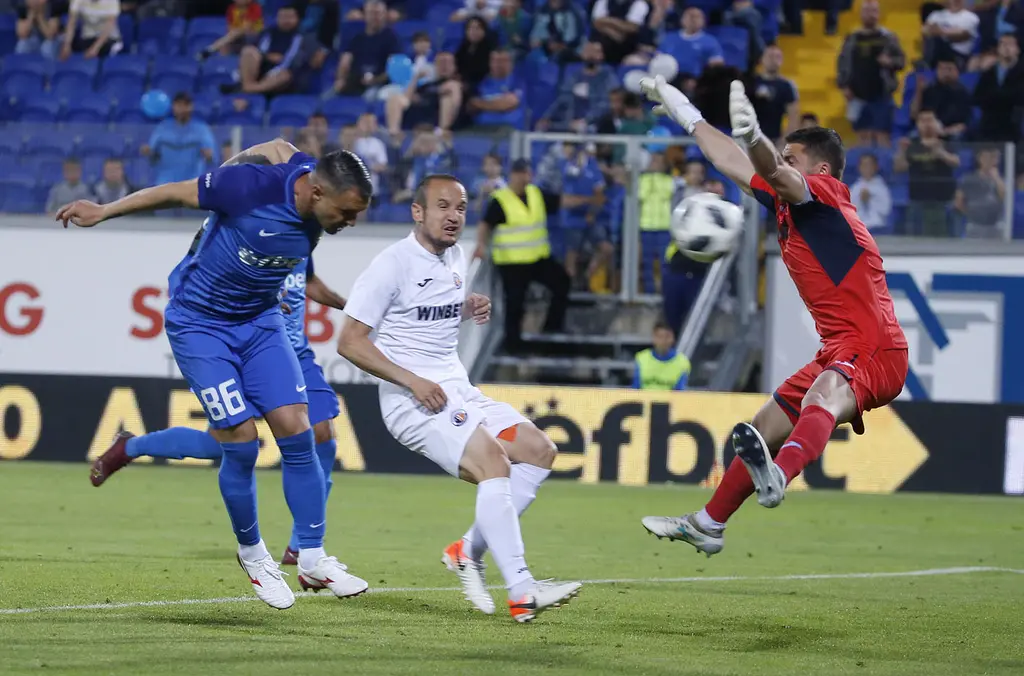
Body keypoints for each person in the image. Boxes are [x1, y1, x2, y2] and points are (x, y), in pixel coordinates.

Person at [56, 141, 374, 609]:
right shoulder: (247, 187)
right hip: (201, 325)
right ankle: (253, 555)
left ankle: (311, 556)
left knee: (298, 430)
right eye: (346, 212)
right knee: (240, 443)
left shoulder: (310, 180)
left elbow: (279, 146)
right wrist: (105, 210)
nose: (350, 222)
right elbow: (173, 192)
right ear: (317, 192)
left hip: (261, 322)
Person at [637, 75, 908, 555]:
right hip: (838, 349)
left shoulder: (824, 196)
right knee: (763, 426)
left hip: (875, 349)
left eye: (791, 157)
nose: (782, 164)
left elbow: (774, 171)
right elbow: (731, 161)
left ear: (820, 169)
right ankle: (708, 524)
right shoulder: (791, 205)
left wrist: (755, 136)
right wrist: (686, 113)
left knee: (822, 397)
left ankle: (780, 475)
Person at [337, 173, 581, 622]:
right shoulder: (391, 264)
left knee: (539, 450)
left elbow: (428, 313)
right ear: (418, 212)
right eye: (443, 206)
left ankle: (466, 550)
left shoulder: (456, 256)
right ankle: (522, 590)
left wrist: (466, 307)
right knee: (494, 464)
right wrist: (412, 381)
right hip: (413, 401)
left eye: (461, 208)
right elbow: (350, 342)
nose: (454, 216)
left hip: (457, 389)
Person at [477, 159, 570, 353]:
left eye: (528, 174)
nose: (526, 178)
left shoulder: (535, 193)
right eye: (522, 174)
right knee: (515, 303)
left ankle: (552, 327)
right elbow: (485, 224)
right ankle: (513, 344)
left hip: (537, 259)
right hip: (511, 262)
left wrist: (589, 200)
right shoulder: (501, 199)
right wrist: (481, 246)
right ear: (513, 175)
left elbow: (561, 201)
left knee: (562, 282)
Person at [836, 0, 906, 147]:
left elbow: (901, 61)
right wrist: (844, 85)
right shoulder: (852, 38)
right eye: (867, 11)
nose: (871, 15)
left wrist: (889, 62)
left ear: (879, 14)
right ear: (861, 14)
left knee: (883, 135)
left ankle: (884, 161)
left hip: (882, 94)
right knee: (862, 135)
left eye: (874, 11)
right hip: (857, 95)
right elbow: (842, 63)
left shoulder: (888, 37)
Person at [142, 93, 217, 186]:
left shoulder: (202, 130)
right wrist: (148, 152)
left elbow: (212, 158)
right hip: (165, 183)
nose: (182, 109)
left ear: (191, 107)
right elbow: (152, 157)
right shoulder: (162, 128)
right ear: (173, 107)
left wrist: (208, 156)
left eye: (185, 105)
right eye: (178, 105)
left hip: (191, 184)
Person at [633, 319, 690, 390]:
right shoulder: (642, 358)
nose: (663, 341)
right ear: (654, 338)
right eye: (660, 337)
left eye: (667, 337)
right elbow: (635, 389)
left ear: (673, 338)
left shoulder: (683, 362)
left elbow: (680, 392)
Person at [849, 153, 892, 230]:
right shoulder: (855, 188)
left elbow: (885, 210)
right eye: (864, 165)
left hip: (876, 226)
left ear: (876, 167)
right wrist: (861, 200)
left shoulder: (882, 188)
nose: (867, 168)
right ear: (859, 167)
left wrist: (869, 200)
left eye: (869, 165)